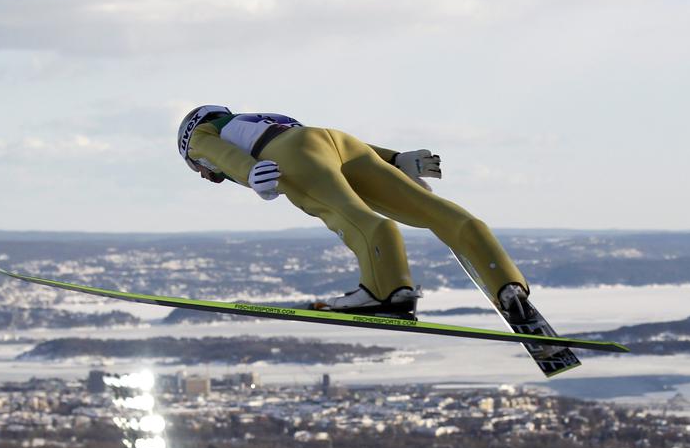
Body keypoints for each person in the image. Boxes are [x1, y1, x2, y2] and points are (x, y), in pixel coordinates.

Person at [176, 105, 534, 322]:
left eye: (196, 170)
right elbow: (324, 142)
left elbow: (218, 154)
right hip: (336, 140)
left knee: (351, 215)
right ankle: (506, 282)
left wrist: (249, 172)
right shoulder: (258, 117)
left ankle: (387, 292)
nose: (204, 175)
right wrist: (395, 159)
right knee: (434, 211)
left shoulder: (199, 134)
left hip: (289, 153)